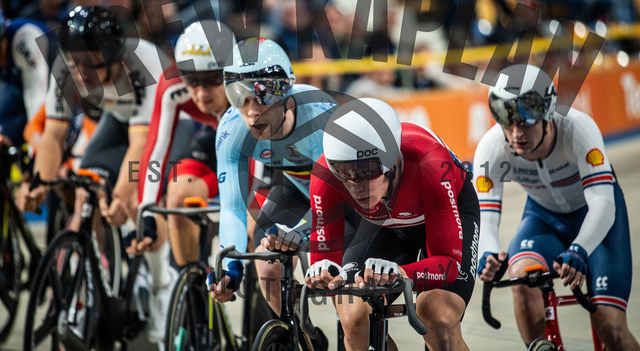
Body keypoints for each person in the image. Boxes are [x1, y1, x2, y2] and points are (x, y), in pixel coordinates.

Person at [15, 5, 176, 344]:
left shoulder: (142, 62)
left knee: (136, 202)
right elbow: (54, 136)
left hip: (167, 126)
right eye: (76, 64)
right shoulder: (65, 66)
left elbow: (141, 147)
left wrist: (124, 193)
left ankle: (162, 284)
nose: (82, 73)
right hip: (119, 119)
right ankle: (94, 276)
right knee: (87, 187)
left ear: (116, 58)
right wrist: (38, 184)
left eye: (94, 64)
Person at [474, 64, 640, 349]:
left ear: (548, 113)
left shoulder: (577, 128)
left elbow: (602, 203)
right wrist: (487, 254)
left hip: (597, 219)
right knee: (521, 279)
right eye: (507, 123)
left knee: (610, 328)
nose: (516, 133)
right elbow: (485, 218)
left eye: (526, 122)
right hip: (544, 218)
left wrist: (580, 248)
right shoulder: (492, 148)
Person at [305, 97, 480, 350]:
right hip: (382, 224)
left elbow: (448, 266)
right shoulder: (324, 177)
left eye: (366, 170)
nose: (355, 184)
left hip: (443, 214)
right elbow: (327, 267)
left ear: (391, 161)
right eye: (343, 171)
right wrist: (325, 275)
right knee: (353, 317)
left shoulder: (430, 163)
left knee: (438, 317)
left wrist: (401, 273)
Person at [209, 38, 334, 323]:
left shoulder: (319, 116)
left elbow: (333, 204)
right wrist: (230, 268)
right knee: (267, 269)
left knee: (345, 303)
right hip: (295, 190)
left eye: (262, 97)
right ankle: (302, 334)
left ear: (286, 95)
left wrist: (299, 232)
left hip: (342, 199)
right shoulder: (231, 129)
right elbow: (232, 208)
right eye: (238, 97)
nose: (251, 110)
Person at [132, 20, 233, 269]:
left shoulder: (248, 80)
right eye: (192, 81)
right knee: (176, 201)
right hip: (215, 137)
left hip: (257, 147)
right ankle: (192, 282)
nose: (202, 93)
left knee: (254, 222)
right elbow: (156, 149)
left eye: (212, 79)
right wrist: (147, 212)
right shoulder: (172, 86)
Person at [0, 6, 54, 147]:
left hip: (54, 84)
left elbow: (36, 95)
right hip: (17, 87)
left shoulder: (24, 38)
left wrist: (34, 144)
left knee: (49, 132)